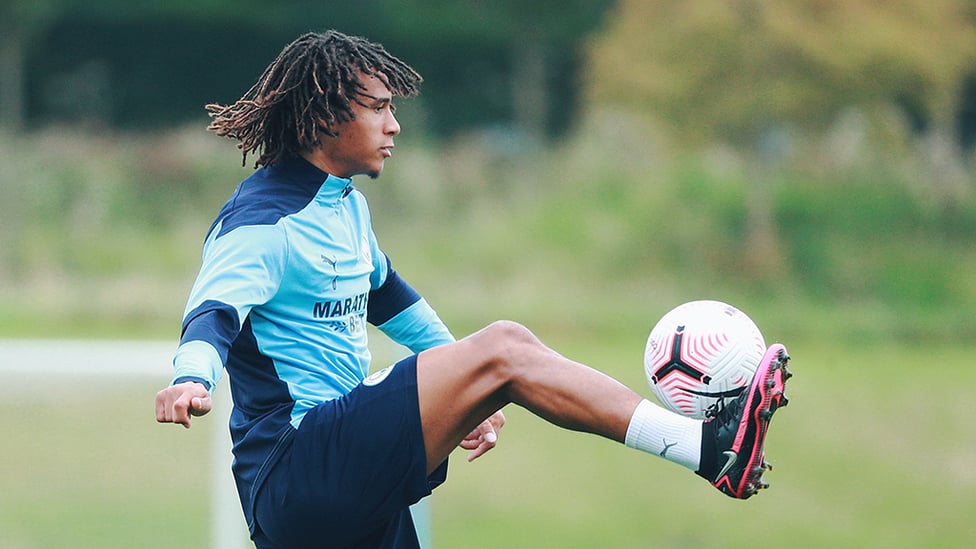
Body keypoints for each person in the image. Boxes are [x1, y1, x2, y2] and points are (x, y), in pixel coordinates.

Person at [155, 30, 792, 548]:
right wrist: (193, 378)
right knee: (505, 348)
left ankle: (711, 449)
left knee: (493, 360)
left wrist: (466, 396)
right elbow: (212, 313)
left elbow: (391, 300)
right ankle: (710, 449)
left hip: (342, 478)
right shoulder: (261, 222)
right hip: (300, 465)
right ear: (323, 116)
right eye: (378, 108)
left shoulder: (342, 205)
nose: (394, 125)